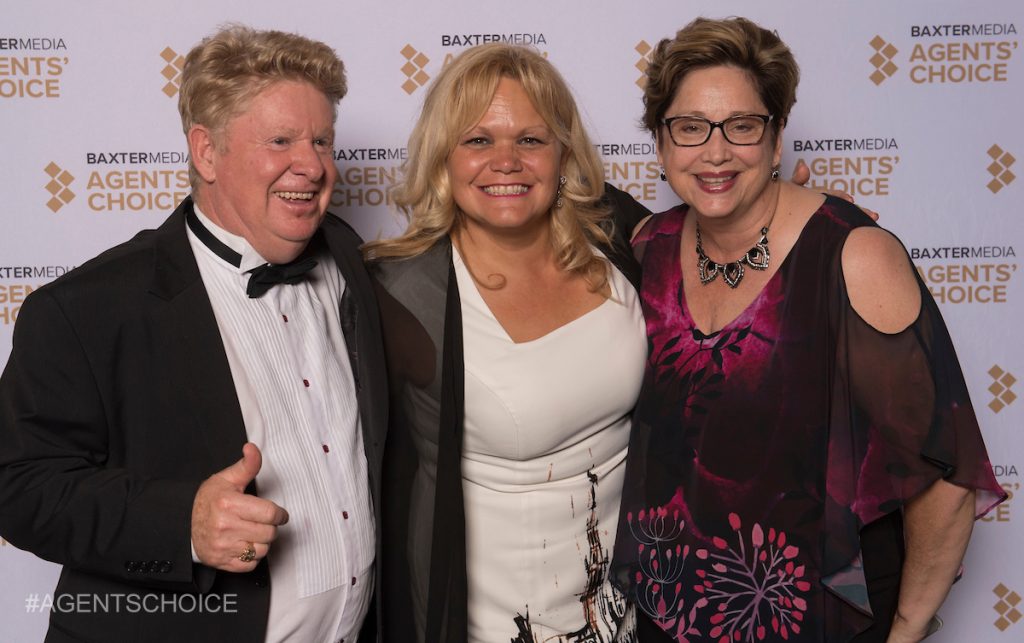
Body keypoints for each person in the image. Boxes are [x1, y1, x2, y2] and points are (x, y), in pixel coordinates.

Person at [608, 17, 1006, 643]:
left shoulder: (851, 256)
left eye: (742, 125)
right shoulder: (649, 249)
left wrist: (906, 631)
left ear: (776, 139)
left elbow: (946, 477)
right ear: (660, 144)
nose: (715, 151)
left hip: (818, 621)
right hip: (668, 617)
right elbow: (536, 180)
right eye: (689, 127)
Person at [0, 25, 387, 643]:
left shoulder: (351, 260)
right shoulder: (84, 308)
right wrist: (182, 524)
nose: (313, 166)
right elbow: (19, 488)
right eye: (281, 140)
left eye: (321, 141)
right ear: (206, 153)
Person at [363, 44, 651, 642]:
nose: (506, 161)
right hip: (495, 625)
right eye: (478, 140)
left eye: (530, 139)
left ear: (563, 153)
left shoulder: (618, 240)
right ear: (443, 158)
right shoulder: (398, 294)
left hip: (629, 613)